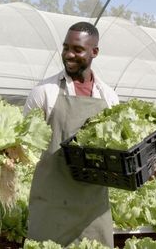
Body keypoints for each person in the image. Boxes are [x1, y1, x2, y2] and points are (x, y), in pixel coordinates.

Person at [23, 22, 119, 247]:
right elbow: (22, 141)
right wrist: (7, 152)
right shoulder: (44, 92)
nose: (68, 54)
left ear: (94, 52)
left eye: (77, 49)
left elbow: (118, 152)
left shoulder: (109, 97)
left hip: (93, 207)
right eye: (66, 47)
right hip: (51, 204)